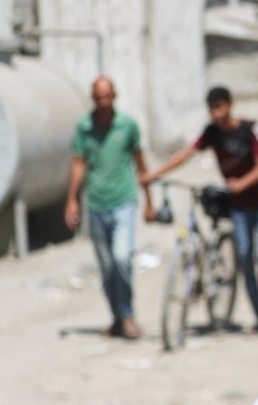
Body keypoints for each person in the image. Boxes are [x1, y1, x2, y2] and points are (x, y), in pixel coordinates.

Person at [145, 87, 258, 334]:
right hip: (238, 205)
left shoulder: (251, 129)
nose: (216, 113)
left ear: (230, 105)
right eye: (212, 109)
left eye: (220, 107)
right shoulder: (211, 133)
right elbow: (186, 154)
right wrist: (154, 175)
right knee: (245, 259)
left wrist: (240, 183)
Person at [65, 77, 153, 340]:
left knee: (121, 258)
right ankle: (117, 317)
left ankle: (127, 316)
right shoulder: (84, 127)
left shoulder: (127, 126)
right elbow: (79, 163)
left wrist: (149, 201)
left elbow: (140, 162)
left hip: (124, 201)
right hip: (96, 204)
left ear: (115, 97)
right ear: (93, 99)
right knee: (106, 268)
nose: (103, 103)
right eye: (98, 98)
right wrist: (71, 200)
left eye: (107, 97)